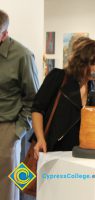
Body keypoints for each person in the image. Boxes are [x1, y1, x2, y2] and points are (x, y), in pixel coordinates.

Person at [32, 37, 95, 159]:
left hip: (76, 155)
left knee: (68, 178)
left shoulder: (94, 89)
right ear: (82, 60)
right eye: (94, 63)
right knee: (24, 177)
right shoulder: (58, 76)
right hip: (45, 148)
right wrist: (40, 138)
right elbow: (37, 109)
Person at [0, 9, 39, 200]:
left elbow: (34, 99)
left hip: (7, 126)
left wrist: (18, 131)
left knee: (7, 186)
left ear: (4, 34)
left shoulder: (22, 55)